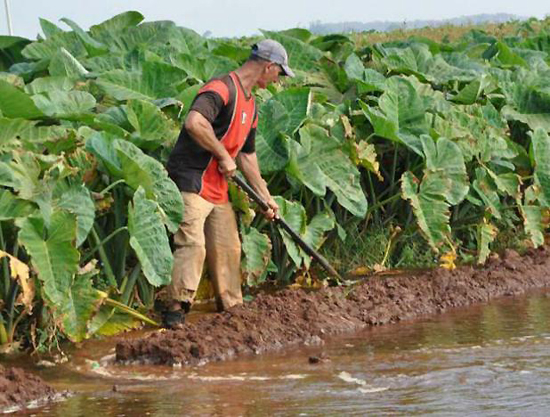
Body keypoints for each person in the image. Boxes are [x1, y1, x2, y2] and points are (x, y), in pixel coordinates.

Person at [162, 39, 295, 328]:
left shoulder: (252, 105)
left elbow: (247, 156)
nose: (278, 80)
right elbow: (195, 123)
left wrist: (265, 197)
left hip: (217, 188)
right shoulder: (221, 89)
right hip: (192, 179)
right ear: (268, 66)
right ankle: (175, 311)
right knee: (193, 244)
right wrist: (222, 154)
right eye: (279, 73)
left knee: (228, 247)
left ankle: (231, 315)